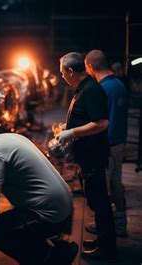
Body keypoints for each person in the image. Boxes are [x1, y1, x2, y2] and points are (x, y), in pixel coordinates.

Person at [0, 123, 77, 265]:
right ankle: (59, 248)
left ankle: (54, 258)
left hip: (53, 215)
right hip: (66, 206)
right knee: (12, 218)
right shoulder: (8, 138)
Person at [57, 52, 117, 260]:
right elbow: (87, 117)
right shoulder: (83, 88)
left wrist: (72, 132)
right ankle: (102, 239)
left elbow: (102, 123)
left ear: (71, 71)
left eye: (63, 72)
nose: (62, 76)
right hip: (87, 156)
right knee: (95, 200)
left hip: (93, 156)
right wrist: (69, 126)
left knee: (100, 203)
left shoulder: (91, 90)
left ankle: (107, 249)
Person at [85, 50, 128, 237]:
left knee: (103, 189)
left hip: (107, 145)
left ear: (90, 67)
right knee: (116, 184)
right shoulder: (119, 84)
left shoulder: (102, 88)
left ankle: (108, 226)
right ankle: (120, 222)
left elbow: (101, 121)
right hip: (119, 142)